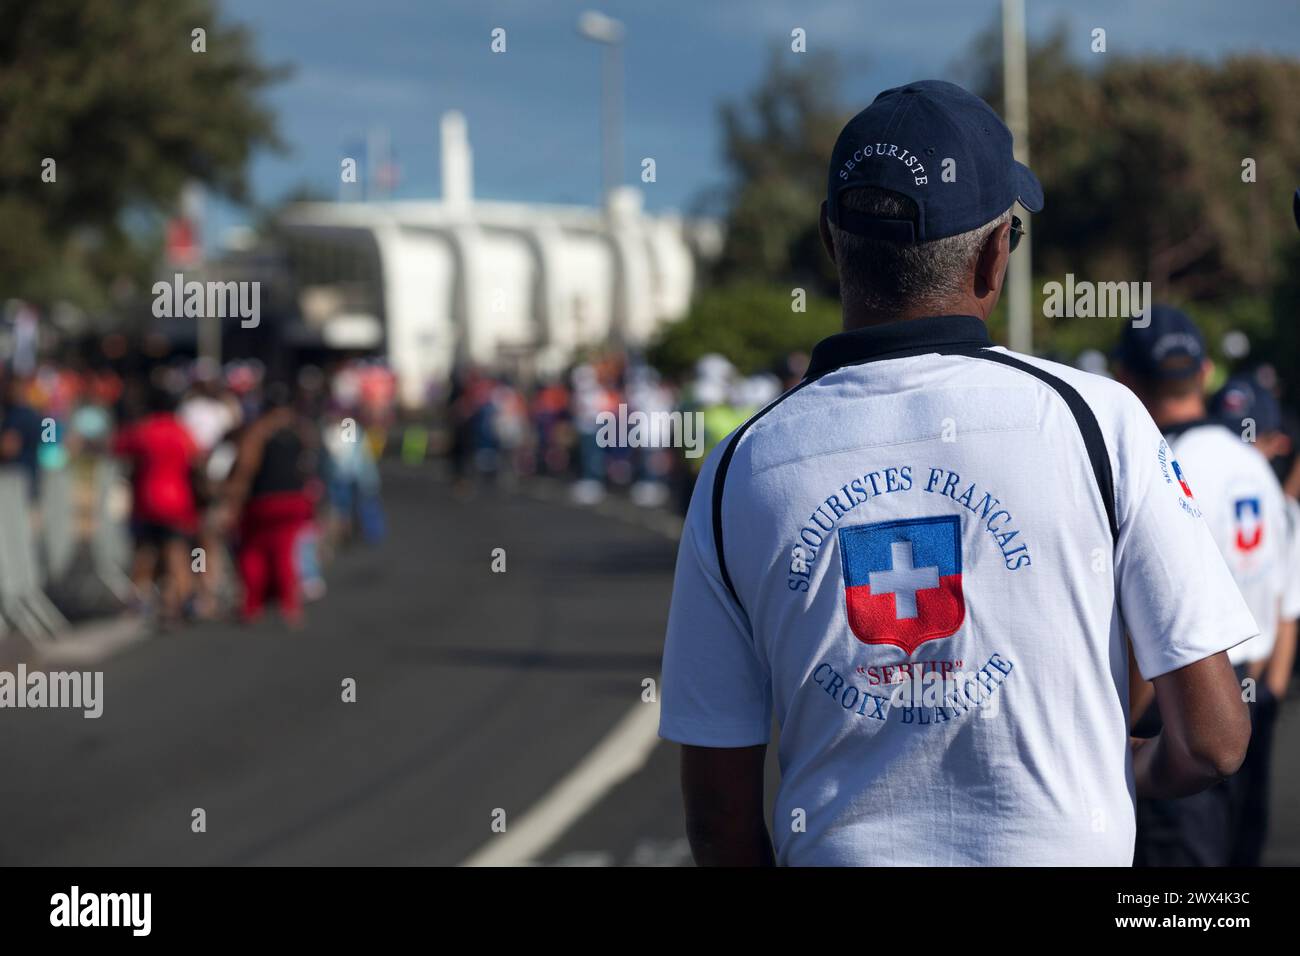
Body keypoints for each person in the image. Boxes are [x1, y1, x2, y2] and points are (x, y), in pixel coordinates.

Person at [658, 80, 1253, 867]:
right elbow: (1213, 741)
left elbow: (719, 822)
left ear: (834, 243)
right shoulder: (1097, 423)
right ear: (995, 250)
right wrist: (1124, 773)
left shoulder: (741, 466)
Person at [226, 384, 318, 627]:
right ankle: (290, 605)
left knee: (253, 551)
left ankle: (252, 605)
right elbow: (309, 465)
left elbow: (246, 468)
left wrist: (233, 500)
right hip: (295, 500)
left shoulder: (259, 431)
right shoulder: (301, 430)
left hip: (263, 501)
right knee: (285, 552)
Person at [111, 382, 200, 627]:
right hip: (179, 499)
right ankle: (179, 601)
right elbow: (197, 457)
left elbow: (117, 447)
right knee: (177, 551)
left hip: (147, 499)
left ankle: (137, 599)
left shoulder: (143, 430)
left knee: (145, 549)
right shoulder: (182, 431)